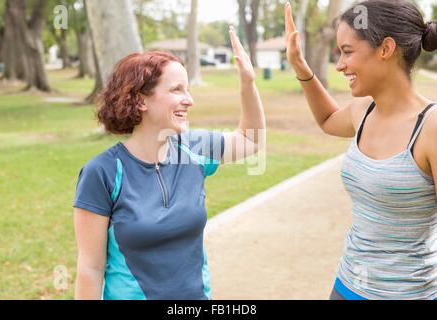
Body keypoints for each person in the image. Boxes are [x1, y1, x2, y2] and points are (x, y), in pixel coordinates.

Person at [73, 26, 265, 300]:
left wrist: (247, 82)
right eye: (177, 90)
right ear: (140, 100)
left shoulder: (194, 149)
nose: (190, 100)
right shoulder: (102, 173)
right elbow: (90, 269)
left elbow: (251, 140)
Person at [284, 0, 437, 300]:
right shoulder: (363, 111)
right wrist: (300, 66)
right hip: (346, 288)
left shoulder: (431, 128)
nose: (340, 64)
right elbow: (328, 120)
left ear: (385, 48)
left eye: (348, 51)